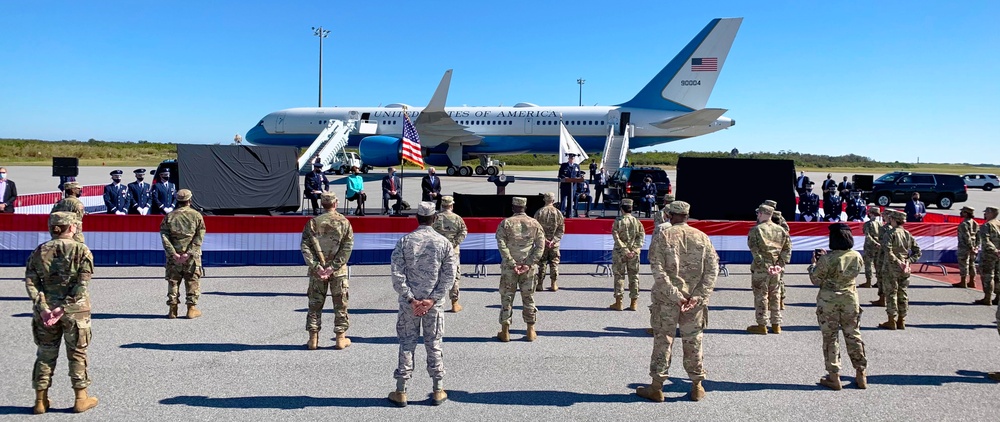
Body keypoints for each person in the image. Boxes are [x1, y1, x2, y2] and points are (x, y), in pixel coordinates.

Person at [636, 201, 718, 402]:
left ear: (669, 216)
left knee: (664, 340)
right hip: (694, 301)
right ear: (687, 216)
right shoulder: (702, 237)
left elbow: (657, 270)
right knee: (694, 341)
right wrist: (699, 296)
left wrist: (675, 295)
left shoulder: (662, 236)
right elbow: (712, 269)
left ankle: (656, 387)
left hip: (667, 300)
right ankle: (697, 386)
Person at [24, 212, 99, 414]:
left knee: (45, 354)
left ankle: (40, 400)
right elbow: (81, 285)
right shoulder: (81, 250)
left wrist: (45, 308)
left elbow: (31, 281)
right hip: (74, 312)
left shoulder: (39, 251)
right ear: (72, 227)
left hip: (45, 313)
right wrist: (62, 308)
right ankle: (80, 398)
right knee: (77, 353)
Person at [388, 202, 457, 407]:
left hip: (410, 305)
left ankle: (401, 390)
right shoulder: (443, 243)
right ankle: (438, 389)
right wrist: (432, 299)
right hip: (433, 305)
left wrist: (411, 298)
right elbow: (449, 276)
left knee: (407, 344)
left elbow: (397, 274)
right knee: (434, 344)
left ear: (417, 218)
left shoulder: (405, 241)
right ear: (434, 218)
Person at [808, 223, 868, 391]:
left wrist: (814, 264)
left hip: (829, 301)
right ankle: (861, 373)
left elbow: (816, 280)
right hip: (850, 299)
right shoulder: (856, 256)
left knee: (830, 338)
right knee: (853, 335)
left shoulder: (827, 259)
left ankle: (834, 376)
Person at [300, 191, 354, 350]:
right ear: (335, 203)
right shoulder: (344, 222)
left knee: (315, 304)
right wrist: (332, 267)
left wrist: (317, 266)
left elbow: (305, 247)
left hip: (317, 273)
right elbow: (347, 247)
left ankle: (313, 339)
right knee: (340, 304)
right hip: (338, 272)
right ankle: (340, 338)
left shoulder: (312, 223)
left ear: (322, 204)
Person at [494, 197, 545, 342]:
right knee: (528, 298)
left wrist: (511, 262)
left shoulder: (506, 223)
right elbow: (540, 246)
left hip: (510, 268)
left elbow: (501, 244)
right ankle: (530, 330)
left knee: (507, 298)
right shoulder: (534, 223)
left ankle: (505, 331)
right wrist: (528, 263)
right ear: (525, 207)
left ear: (513, 207)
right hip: (528, 268)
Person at [160, 189, 206, 319]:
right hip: (191, 258)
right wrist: (189, 253)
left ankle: (172, 309)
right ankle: (191, 309)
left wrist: (173, 253)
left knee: (173, 281)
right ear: (190, 201)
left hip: (174, 258)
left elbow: (164, 236)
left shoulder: (169, 217)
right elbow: (199, 236)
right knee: (192, 280)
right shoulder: (197, 216)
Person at [746, 204, 791, 334]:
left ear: (763, 214)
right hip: (776, 270)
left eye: (759, 213)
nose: (758, 216)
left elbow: (754, 250)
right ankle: (776, 324)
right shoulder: (781, 230)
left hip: (761, 269)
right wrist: (779, 266)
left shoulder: (756, 230)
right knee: (775, 296)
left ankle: (762, 325)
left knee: (761, 296)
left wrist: (765, 266)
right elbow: (787, 249)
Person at [878, 210, 921, 330]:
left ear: (893, 220)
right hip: (905, 268)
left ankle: (891, 320)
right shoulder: (907, 234)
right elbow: (918, 251)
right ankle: (902, 320)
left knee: (891, 293)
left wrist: (899, 262)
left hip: (891, 268)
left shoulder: (890, 233)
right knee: (903, 293)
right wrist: (908, 262)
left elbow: (887, 250)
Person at [432, 196, 468, 312]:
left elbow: (429, 232)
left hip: (437, 251)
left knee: (436, 276)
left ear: (442, 205)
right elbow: (463, 232)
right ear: (451, 205)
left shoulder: (435, 218)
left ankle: (434, 302)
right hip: (453, 251)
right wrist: (453, 243)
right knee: (454, 276)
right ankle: (454, 303)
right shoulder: (457, 218)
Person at [610, 198, 645, 311]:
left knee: (619, 276)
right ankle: (633, 302)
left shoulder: (618, 221)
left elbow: (616, 238)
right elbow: (641, 236)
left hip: (620, 253)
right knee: (634, 276)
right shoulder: (637, 221)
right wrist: (634, 250)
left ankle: (618, 302)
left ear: (621, 209)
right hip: (634, 254)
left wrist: (625, 250)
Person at [533, 192, 565, 292]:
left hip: (542, 243)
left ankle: (540, 284)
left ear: (544, 200)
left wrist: (544, 240)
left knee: (542, 263)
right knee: (554, 263)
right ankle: (553, 283)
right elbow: (561, 229)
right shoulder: (558, 213)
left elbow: (535, 229)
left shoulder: (539, 212)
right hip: (554, 243)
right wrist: (554, 240)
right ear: (553, 200)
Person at [763, 200, 791, 309]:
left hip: (775, 249)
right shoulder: (778, 218)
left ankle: (779, 300)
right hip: (778, 250)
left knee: (775, 278)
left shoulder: (774, 216)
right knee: (778, 278)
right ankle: (778, 300)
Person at [975, 207, 1000, 306]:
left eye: (986, 212)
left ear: (991, 213)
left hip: (989, 254)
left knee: (988, 276)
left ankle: (987, 298)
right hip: (998, 253)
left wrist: (994, 250)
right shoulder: (998, 223)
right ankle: (998, 298)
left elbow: (986, 241)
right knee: (998, 276)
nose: (985, 214)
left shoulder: (987, 225)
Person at [870, 209, 895, 307]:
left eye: (884, 214)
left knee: (881, 277)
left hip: (883, 255)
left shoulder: (885, 228)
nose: (883, 216)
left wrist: (879, 246)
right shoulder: (894, 228)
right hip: (889, 255)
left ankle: (882, 299)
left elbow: (885, 243)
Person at [953, 206, 979, 289]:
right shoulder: (975, 223)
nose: (961, 213)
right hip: (973, 246)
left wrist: (970, 247)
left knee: (963, 264)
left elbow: (966, 236)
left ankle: (963, 282)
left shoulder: (964, 224)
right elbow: (978, 236)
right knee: (972, 264)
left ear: (966, 213)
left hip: (965, 247)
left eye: (963, 212)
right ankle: (972, 281)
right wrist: (976, 246)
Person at [859, 207, 883, 288]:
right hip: (878, 246)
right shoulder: (880, 224)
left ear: (871, 213)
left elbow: (868, 236)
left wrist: (874, 243)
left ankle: (868, 281)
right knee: (877, 264)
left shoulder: (868, 224)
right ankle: (879, 282)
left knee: (868, 264)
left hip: (870, 246)